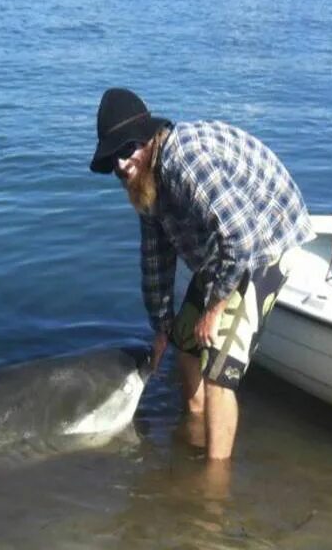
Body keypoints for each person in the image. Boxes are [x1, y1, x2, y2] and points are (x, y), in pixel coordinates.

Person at [90, 87, 314, 461]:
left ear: (148, 140)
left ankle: (212, 489)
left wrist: (214, 309)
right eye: (112, 157)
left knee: (217, 368)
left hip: (267, 239)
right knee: (184, 345)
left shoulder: (186, 162)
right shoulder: (145, 183)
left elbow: (242, 241)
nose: (120, 164)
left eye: (126, 151)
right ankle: (195, 435)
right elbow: (155, 257)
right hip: (226, 244)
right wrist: (161, 326)